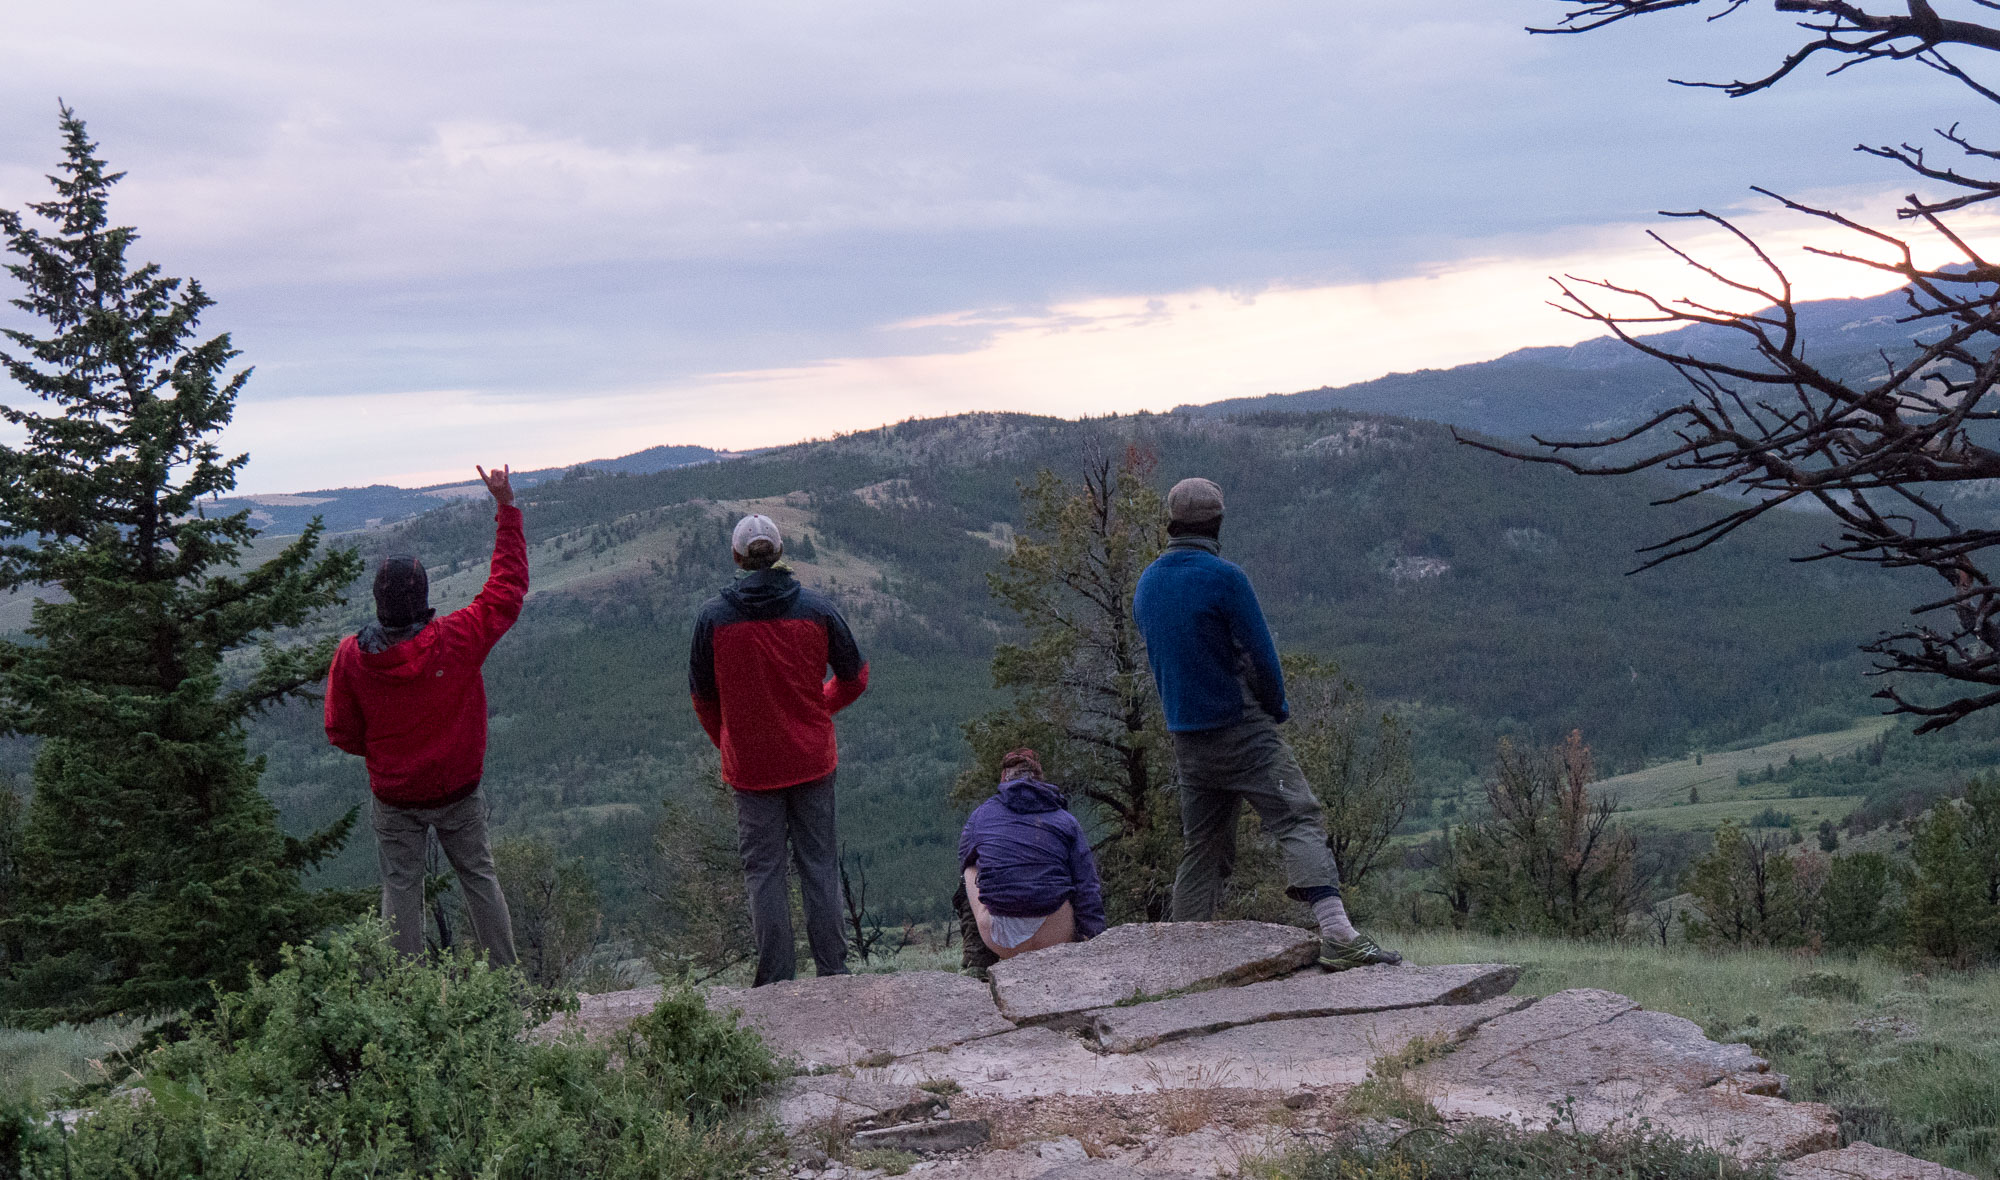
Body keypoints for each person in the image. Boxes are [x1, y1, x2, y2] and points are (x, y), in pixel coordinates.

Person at [1131, 477, 1401, 971]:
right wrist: (1275, 709)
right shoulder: (1225, 577)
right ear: (1217, 523)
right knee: (1297, 816)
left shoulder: (1147, 583)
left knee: (1203, 847)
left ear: (1170, 523)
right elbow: (1262, 653)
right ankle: (1338, 934)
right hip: (1240, 727)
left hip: (1185, 736)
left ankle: (1183, 956)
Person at [325, 463, 527, 965]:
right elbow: (506, 589)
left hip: (395, 795)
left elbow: (341, 731)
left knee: (400, 891)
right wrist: (506, 509)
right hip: (458, 787)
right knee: (478, 879)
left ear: (377, 601)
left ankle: (406, 1000)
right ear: (425, 597)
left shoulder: (352, 656)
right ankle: (507, 988)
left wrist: (386, 750)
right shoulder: (456, 639)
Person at [689, 513, 869, 986]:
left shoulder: (714, 618)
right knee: (819, 865)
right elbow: (855, 677)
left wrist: (731, 742)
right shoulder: (817, 609)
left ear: (737, 557)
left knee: (764, 874)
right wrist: (818, 708)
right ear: (780, 552)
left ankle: (775, 984)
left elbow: (703, 699)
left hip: (751, 770)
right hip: (811, 758)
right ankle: (833, 972)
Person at [954, 748, 1106, 973]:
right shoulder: (1065, 820)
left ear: (1004, 778)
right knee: (1074, 873)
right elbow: (1088, 887)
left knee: (970, 868)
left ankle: (978, 961)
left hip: (1000, 938)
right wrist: (1093, 942)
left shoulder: (980, 816)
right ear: (1040, 778)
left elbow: (964, 864)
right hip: (1055, 934)